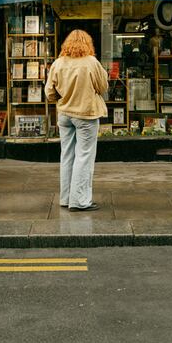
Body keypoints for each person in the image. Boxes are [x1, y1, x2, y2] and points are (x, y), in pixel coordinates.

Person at [45, 29, 108, 212]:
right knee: (84, 157)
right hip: (86, 115)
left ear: (67, 44)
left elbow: (49, 92)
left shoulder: (58, 63)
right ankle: (79, 201)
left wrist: (62, 98)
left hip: (65, 114)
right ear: (87, 44)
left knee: (67, 156)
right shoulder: (91, 62)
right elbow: (103, 86)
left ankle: (65, 198)